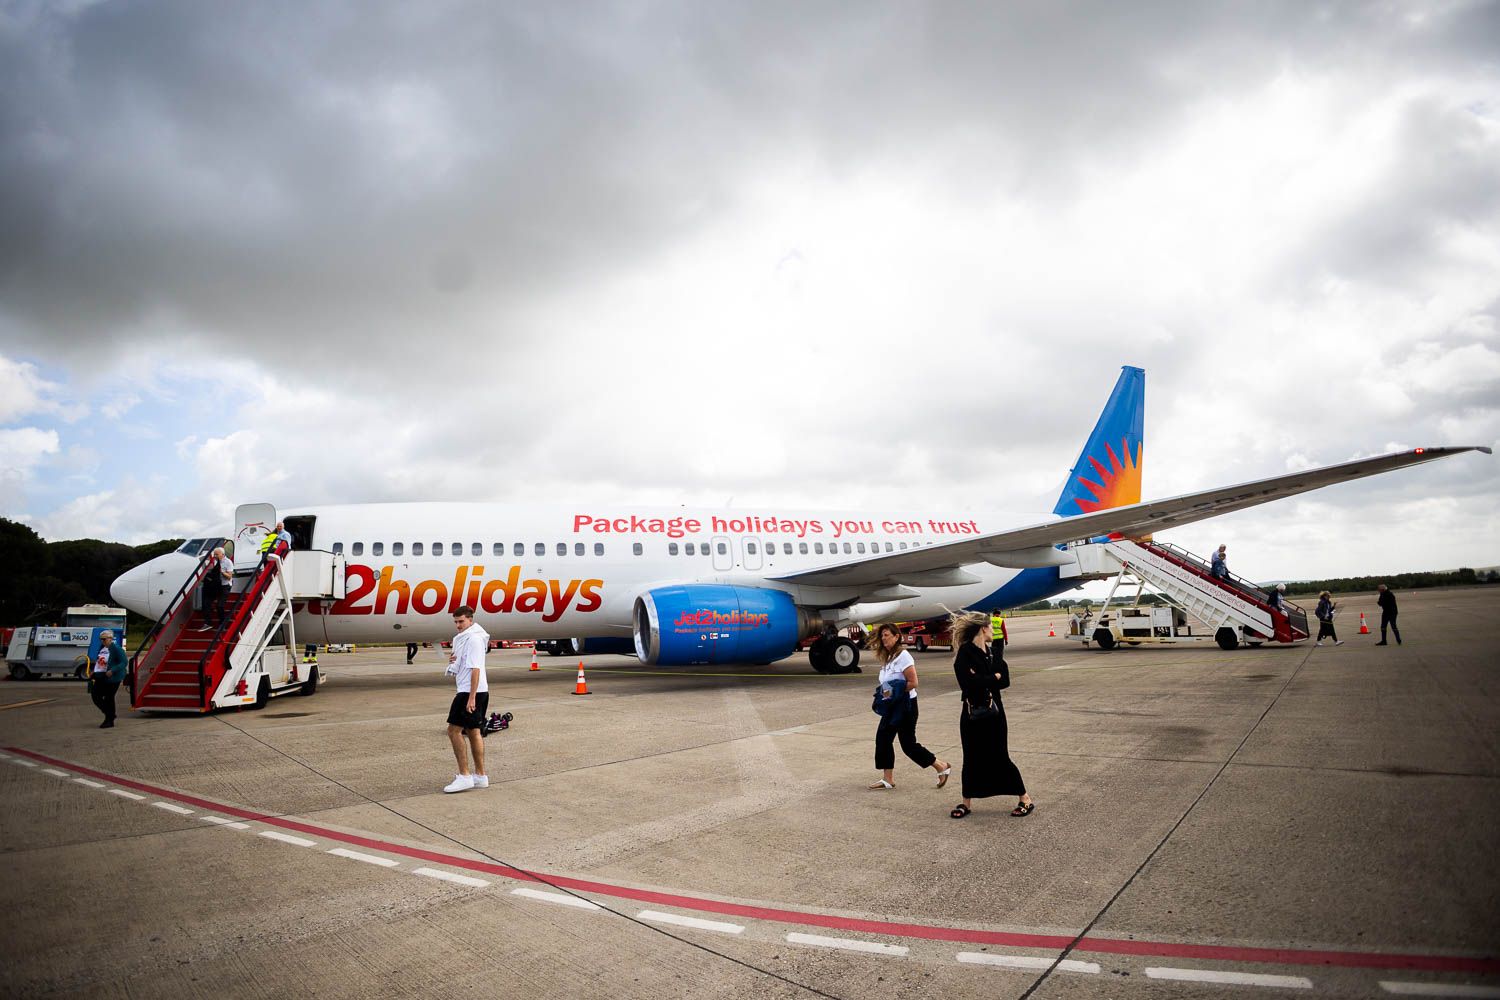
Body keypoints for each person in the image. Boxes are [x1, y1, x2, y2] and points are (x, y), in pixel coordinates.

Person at [949, 610, 1032, 819]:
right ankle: (966, 803)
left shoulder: (994, 652)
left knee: (1000, 755)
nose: (993, 630)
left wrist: (983, 678)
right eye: (990, 627)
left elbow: (1005, 680)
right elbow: (967, 684)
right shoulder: (965, 652)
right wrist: (992, 677)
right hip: (971, 713)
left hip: (995, 712)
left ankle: (1025, 798)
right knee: (971, 756)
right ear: (982, 629)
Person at [865, 623, 950, 790]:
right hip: (892, 706)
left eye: (887, 635)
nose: (883, 639)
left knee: (908, 745)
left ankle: (941, 766)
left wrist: (892, 692)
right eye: (882, 636)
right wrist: (885, 695)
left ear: (897, 636)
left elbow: (913, 682)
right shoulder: (888, 657)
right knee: (883, 739)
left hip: (906, 706)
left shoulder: (903, 656)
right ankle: (888, 779)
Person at [442, 606, 489, 793]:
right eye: (455, 622)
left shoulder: (473, 639)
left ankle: (464, 776)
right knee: (473, 731)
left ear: (470, 620)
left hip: (469, 691)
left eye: (461, 621)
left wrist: (471, 697)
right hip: (477, 691)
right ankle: (480, 776)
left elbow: (476, 669)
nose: (458, 625)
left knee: (453, 731)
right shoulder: (464, 639)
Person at [89, 629, 128, 729]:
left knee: (109, 698)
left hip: (113, 677)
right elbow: (100, 661)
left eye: (104, 639)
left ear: (111, 639)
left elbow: (124, 662)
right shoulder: (102, 648)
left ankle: (109, 720)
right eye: (101, 639)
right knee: (95, 695)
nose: (102, 641)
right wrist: (94, 670)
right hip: (100, 675)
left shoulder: (117, 649)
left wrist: (113, 670)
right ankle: (110, 714)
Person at [199, 546, 231, 630]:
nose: (215, 556)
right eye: (214, 554)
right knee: (206, 603)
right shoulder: (216, 562)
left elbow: (229, 577)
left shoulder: (228, 562)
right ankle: (208, 623)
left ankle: (222, 624)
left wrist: (222, 572)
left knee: (220, 606)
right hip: (216, 586)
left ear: (222, 554)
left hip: (224, 586)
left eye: (217, 554)